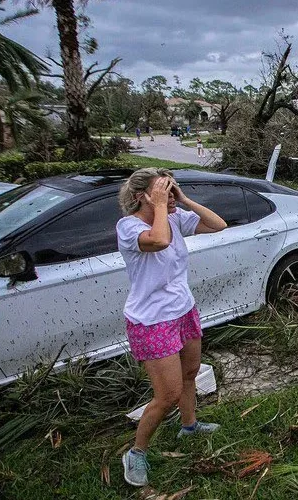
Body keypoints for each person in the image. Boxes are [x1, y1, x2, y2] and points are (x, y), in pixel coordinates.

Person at [116, 168, 227, 487]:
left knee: (191, 373)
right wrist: (163, 206)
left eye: (170, 187)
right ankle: (136, 453)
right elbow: (159, 240)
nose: (169, 193)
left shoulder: (175, 217)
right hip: (151, 321)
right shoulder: (128, 227)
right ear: (142, 197)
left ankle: (189, 425)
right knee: (167, 395)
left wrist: (183, 199)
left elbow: (218, 224)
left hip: (183, 310)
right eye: (162, 189)